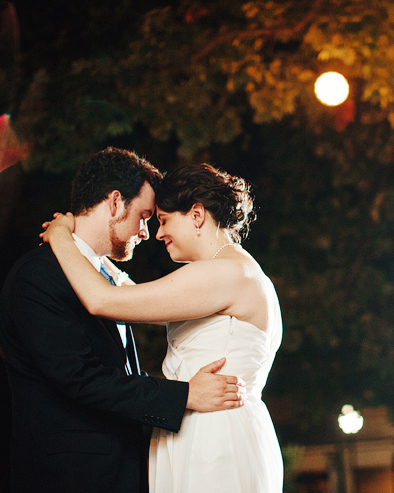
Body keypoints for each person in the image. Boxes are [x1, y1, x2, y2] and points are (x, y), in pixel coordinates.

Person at [0, 148, 246, 493]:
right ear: (115, 203)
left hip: (122, 471)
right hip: (71, 477)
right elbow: (80, 378)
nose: (147, 233)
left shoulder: (103, 279)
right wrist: (183, 395)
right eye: (145, 216)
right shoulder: (38, 275)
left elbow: (121, 366)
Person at [42, 162, 284, 492]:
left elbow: (103, 301)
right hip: (208, 429)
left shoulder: (224, 273)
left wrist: (60, 236)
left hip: (213, 441)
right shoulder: (234, 270)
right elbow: (128, 294)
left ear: (197, 215)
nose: (157, 234)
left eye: (164, 220)